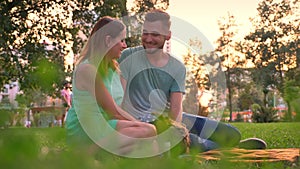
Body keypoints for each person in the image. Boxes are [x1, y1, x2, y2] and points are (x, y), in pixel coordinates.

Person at [119, 9, 266, 154]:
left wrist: (174, 129)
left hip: (169, 118)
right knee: (191, 142)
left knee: (232, 134)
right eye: (145, 33)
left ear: (168, 36)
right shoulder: (128, 56)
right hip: (143, 122)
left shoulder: (177, 67)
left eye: (155, 34)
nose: (149, 39)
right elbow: (119, 96)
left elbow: (176, 108)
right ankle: (229, 149)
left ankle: (230, 143)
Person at [65, 16, 158, 157]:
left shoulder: (111, 69)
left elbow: (117, 109)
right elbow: (113, 111)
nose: (124, 45)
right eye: (121, 41)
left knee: (149, 138)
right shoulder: (87, 69)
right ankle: (85, 155)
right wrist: (139, 125)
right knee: (148, 132)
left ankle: (106, 158)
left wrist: (139, 127)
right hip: (86, 130)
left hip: (105, 125)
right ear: (108, 41)